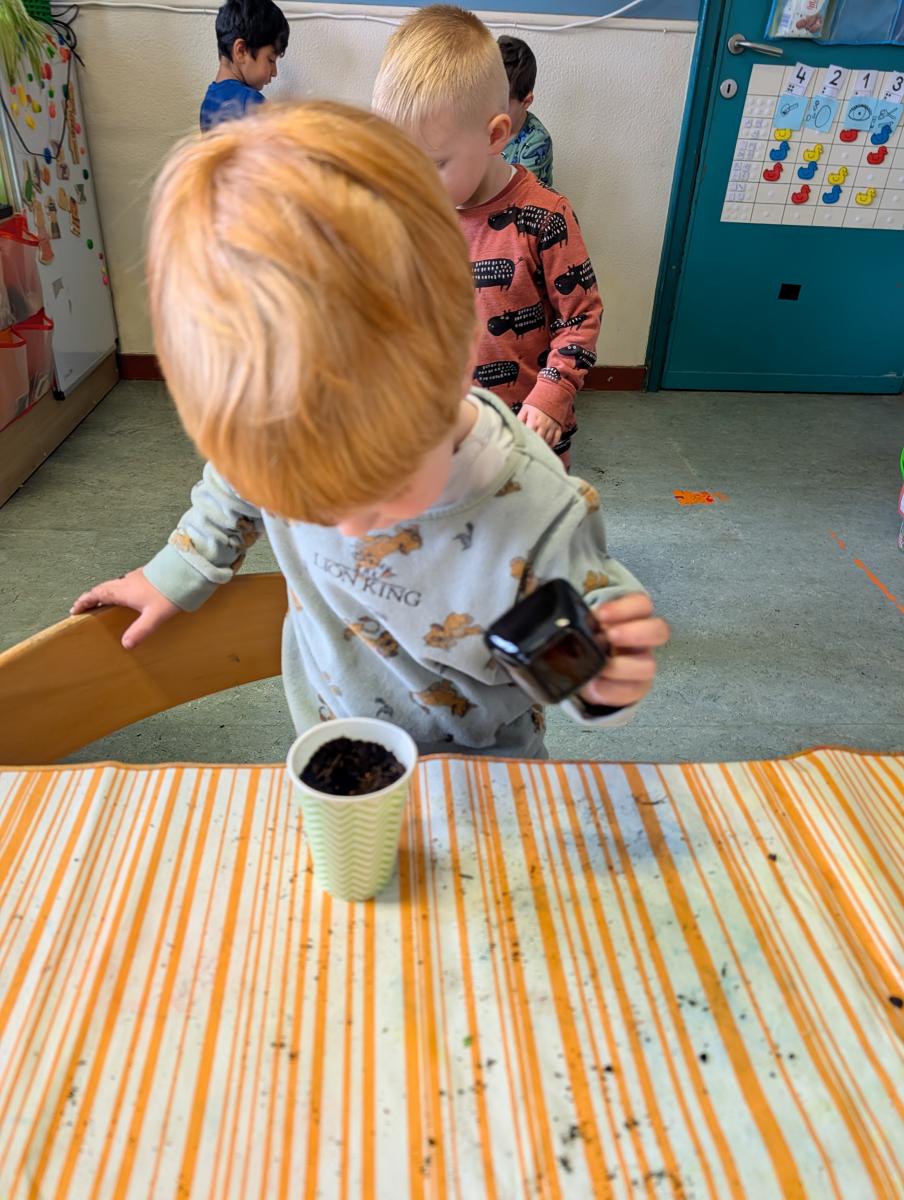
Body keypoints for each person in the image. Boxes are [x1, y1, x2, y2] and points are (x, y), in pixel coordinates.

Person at [70, 103, 667, 759]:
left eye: (381, 487)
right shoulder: (277, 440)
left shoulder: (541, 511)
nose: (351, 527)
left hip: (485, 766)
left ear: (457, 357)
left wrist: (608, 674)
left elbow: (593, 635)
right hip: (334, 738)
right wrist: (177, 571)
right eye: (307, 501)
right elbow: (233, 487)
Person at [373, 5, 601, 465]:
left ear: (496, 135)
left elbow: (580, 317)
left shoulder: (547, 217)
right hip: (443, 437)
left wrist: (551, 394)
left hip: (526, 443)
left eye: (433, 164)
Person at [199, 0, 289, 132]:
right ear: (241, 51)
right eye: (270, 60)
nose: (274, 72)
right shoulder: (251, 103)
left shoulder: (208, 102)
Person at [498, 35, 553, 187]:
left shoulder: (536, 141)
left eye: (501, 104)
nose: (490, 111)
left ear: (526, 101)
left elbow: (519, 195)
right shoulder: (480, 123)